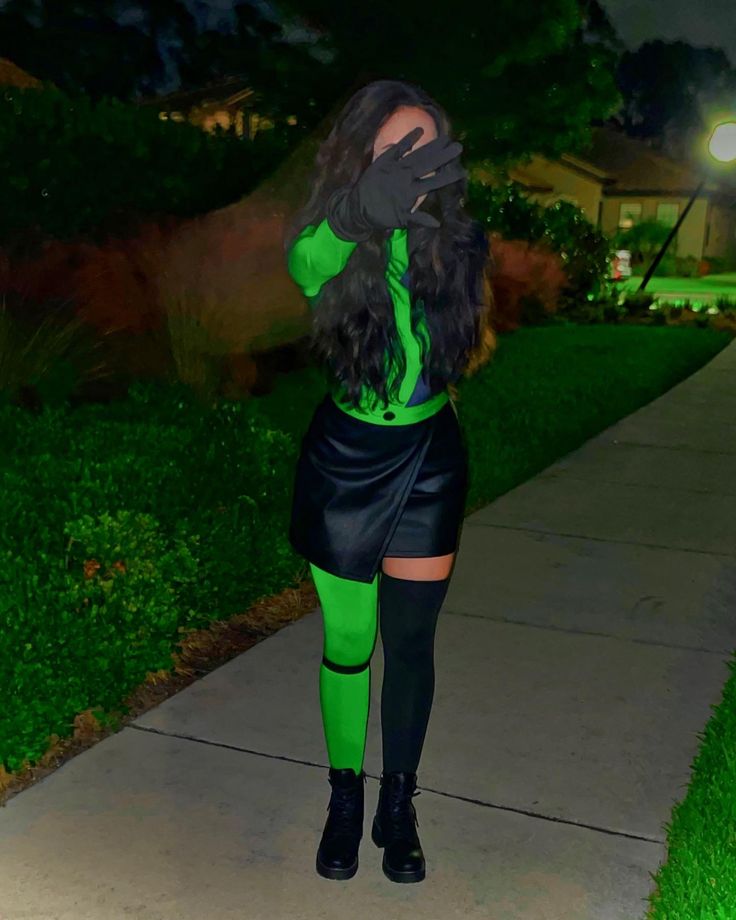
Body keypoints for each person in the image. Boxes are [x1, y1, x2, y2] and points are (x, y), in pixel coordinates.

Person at [282, 78, 496, 884]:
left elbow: (457, 341)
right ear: (362, 157)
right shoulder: (337, 231)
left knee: (410, 644)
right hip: (346, 462)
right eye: (391, 152)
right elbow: (305, 268)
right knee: (347, 644)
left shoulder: (454, 237)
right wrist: (353, 216)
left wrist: (435, 236)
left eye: (423, 151)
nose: (408, 170)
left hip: (430, 460)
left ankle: (396, 807)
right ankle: (344, 798)